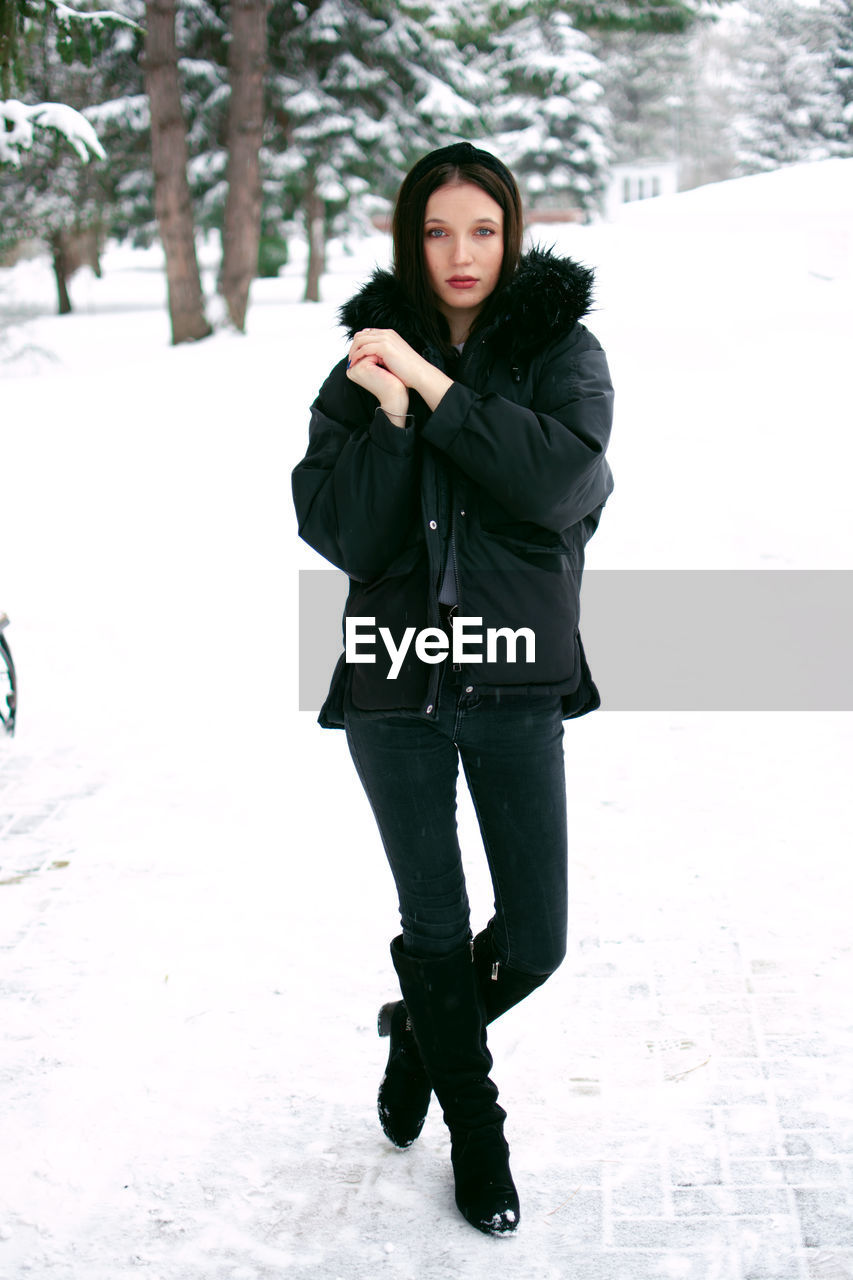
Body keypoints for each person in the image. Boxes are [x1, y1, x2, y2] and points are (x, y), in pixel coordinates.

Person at [291, 141, 614, 1236]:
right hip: (393, 684)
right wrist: (386, 417)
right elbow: (341, 532)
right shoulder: (363, 366)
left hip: (518, 674)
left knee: (535, 938)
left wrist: (433, 386)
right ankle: (478, 1135)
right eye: (437, 231)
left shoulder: (563, 354)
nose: (461, 253)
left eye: (481, 229)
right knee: (431, 921)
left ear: (510, 233)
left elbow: (557, 485)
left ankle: (420, 1032)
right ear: (409, 240)